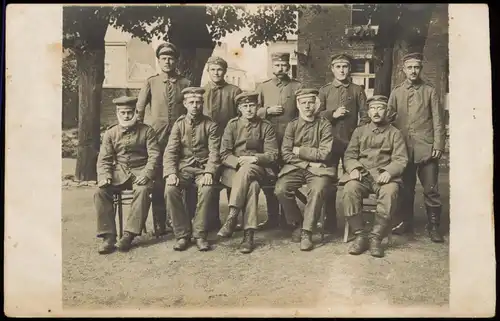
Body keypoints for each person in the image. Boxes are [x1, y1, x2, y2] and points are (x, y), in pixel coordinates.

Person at [339, 95, 408, 258]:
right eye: (373, 108)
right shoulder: (359, 131)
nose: (376, 112)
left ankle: (376, 237)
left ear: (387, 111)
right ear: (368, 112)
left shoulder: (395, 133)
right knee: (350, 189)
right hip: (362, 175)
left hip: (383, 177)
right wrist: (353, 169)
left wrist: (389, 172)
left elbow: (401, 158)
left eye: (380, 108)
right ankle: (360, 235)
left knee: (390, 192)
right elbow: (350, 155)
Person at [388, 52, 446, 243]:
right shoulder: (396, 92)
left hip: (426, 148)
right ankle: (406, 223)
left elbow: (438, 119)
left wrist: (438, 144)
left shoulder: (430, 90)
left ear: (420, 69)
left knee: (431, 189)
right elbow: (388, 118)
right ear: (403, 70)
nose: (413, 71)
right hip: (403, 149)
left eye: (416, 67)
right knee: (406, 189)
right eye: (410, 67)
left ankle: (434, 226)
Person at [136, 42, 191, 236]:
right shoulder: (151, 82)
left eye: (171, 58)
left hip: (181, 136)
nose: (168, 62)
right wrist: (139, 133)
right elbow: (140, 109)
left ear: (176, 61)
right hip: (157, 136)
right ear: (159, 61)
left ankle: (182, 219)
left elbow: (190, 109)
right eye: (164, 59)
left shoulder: (185, 83)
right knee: (159, 178)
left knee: (182, 173)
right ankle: (159, 221)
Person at [94, 96, 161, 254]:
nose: (126, 116)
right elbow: (104, 158)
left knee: (143, 190)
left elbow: (154, 156)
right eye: (123, 113)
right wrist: (105, 176)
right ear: (118, 113)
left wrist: (147, 173)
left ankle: (128, 235)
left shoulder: (147, 131)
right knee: (100, 192)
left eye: (129, 112)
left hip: (141, 171)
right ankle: (108, 236)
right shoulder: (111, 133)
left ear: (135, 113)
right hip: (120, 172)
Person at [274, 89, 336, 251]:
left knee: (317, 190)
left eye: (311, 102)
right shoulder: (292, 126)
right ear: (298, 105)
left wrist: (299, 150)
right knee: (281, 189)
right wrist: (307, 164)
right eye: (304, 103)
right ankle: (298, 222)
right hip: (296, 168)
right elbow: (286, 153)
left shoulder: (325, 125)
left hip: (320, 170)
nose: (307, 106)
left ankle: (307, 233)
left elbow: (325, 153)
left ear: (316, 104)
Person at [217, 91, 279, 253]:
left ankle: (232, 216)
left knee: (249, 172)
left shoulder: (266, 126)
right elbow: (224, 153)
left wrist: (254, 159)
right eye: (245, 106)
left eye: (252, 105)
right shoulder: (232, 125)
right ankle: (248, 236)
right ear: (239, 108)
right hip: (234, 169)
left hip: (259, 168)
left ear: (257, 107)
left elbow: (273, 154)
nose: (249, 109)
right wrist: (238, 162)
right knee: (252, 187)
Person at [317, 53, 370, 234]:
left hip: (351, 143)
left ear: (349, 69)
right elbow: (316, 116)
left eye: (345, 66)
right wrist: (332, 114)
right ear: (332, 69)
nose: (341, 70)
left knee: (354, 179)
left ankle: (355, 221)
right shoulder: (324, 90)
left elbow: (365, 115)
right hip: (329, 143)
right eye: (338, 66)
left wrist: (357, 135)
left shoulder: (357, 90)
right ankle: (329, 218)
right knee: (328, 180)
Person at [163, 87, 221, 252]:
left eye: (198, 102)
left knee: (208, 189)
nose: (195, 105)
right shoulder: (179, 125)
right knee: (170, 189)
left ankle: (200, 234)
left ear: (202, 104)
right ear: (185, 104)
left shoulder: (211, 125)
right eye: (191, 102)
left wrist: (210, 172)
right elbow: (171, 151)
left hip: (202, 170)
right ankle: (182, 234)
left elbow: (214, 152)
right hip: (184, 169)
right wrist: (171, 173)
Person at [255, 52, 303, 230]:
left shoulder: (297, 86)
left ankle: (288, 218)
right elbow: (253, 110)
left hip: (290, 141)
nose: (280, 68)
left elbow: (302, 114)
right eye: (277, 65)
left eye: (284, 65)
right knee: (269, 180)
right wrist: (266, 111)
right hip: (268, 141)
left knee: (287, 179)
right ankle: (272, 217)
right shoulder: (262, 87)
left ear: (288, 67)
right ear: (272, 67)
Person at [202, 56, 243, 231]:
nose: (216, 73)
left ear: (225, 72)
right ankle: (212, 219)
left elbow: (240, 116)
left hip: (230, 142)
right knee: (211, 177)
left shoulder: (234, 91)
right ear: (208, 71)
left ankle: (233, 219)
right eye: (212, 69)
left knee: (231, 177)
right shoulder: (202, 92)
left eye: (219, 69)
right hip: (208, 143)